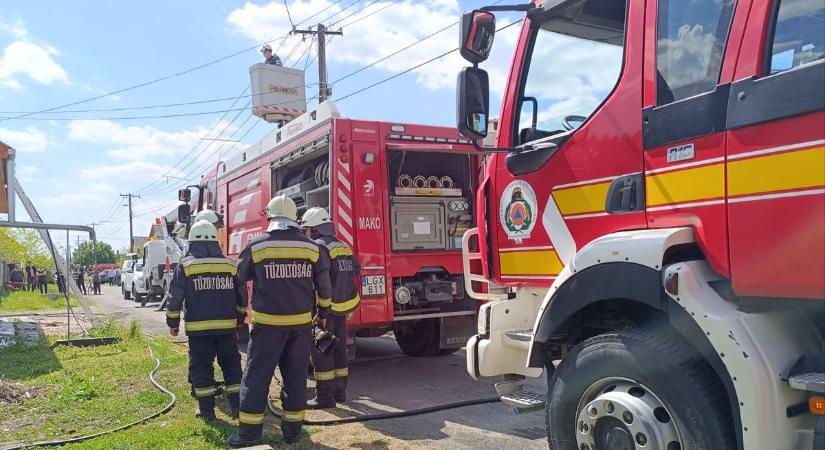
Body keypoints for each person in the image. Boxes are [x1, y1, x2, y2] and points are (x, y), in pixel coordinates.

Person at [228, 195, 332, 448]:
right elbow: (324, 286)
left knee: (256, 377)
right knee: (296, 377)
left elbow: (240, 275)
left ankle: (249, 435)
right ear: (295, 218)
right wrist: (324, 313)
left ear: (271, 217)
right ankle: (293, 432)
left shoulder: (257, 245)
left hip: (267, 327)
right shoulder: (312, 247)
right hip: (300, 326)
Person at [165, 220, 247, 421]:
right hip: (227, 328)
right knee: (231, 366)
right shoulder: (230, 265)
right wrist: (239, 320)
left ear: (192, 241)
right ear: (215, 241)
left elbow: (175, 298)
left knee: (201, 368)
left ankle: (208, 412)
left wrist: (173, 324)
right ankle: (237, 408)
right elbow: (242, 297)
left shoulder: (185, 266)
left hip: (199, 331)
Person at [301, 207, 361, 409]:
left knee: (322, 351)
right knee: (338, 350)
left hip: (326, 310)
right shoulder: (343, 245)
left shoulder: (319, 247)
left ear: (315, 229)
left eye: (307, 229)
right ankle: (340, 392)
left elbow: (322, 280)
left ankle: (324, 397)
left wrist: (321, 311)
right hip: (343, 307)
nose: (306, 233)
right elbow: (356, 269)